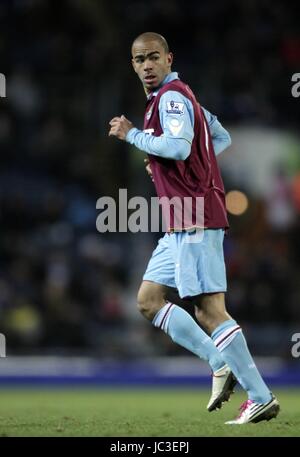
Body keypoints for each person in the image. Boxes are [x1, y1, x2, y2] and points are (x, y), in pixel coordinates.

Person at [108, 32, 280, 424]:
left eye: (154, 57)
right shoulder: (186, 99)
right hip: (180, 220)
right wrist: (184, 165)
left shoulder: (170, 98)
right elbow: (220, 138)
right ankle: (220, 362)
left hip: (194, 215)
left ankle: (260, 395)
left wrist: (133, 135)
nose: (147, 65)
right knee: (149, 299)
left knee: (209, 311)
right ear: (133, 65)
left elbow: (181, 147)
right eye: (139, 60)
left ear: (169, 58)